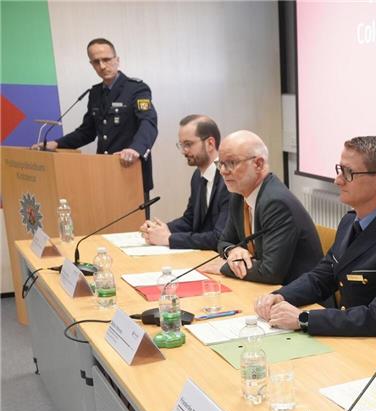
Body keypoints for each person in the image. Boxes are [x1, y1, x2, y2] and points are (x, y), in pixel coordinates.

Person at [255, 136, 376, 353]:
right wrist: (281, 295)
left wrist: (305, 319)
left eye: (348, 173)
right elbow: (322, 277)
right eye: (339, 170)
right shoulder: (350, 222)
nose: (338, 180)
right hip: (352, 339)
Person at [35, 38, 158, 194]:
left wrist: (136, 149)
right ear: (91, 64)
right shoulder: (95, 93)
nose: (102, 66)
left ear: (117, 60)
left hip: (131, 170)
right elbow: (87, 132)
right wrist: (57, 144)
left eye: (106, 59)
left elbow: (148, 122)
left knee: (136, 220)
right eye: (96, 62)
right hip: (104, 172)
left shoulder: (137, 89)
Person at [207, 130, 322, 285]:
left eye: (231, 163)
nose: (223, 171)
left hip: (299, 298)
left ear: (258, 164)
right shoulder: (239, 196)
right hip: (264, 289)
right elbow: (224, 241)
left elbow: (270, 272)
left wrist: (225, 266)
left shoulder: (276, 203)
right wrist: (233, 251)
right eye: (220, 164)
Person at [139, 115, 230, 250]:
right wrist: (158, 230)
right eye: (181, 145)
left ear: (210, 143)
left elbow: (220, 237)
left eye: (188, 144)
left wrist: (169, 239)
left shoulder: (228, 178)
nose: (184, 151)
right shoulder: (197, 177)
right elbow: (190, 220)